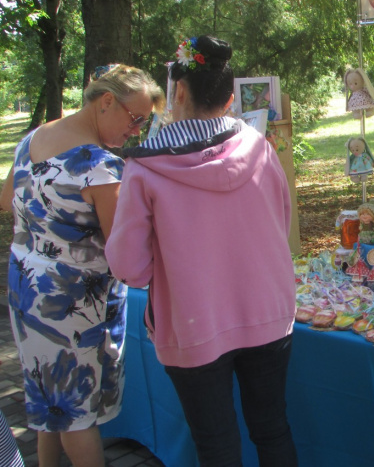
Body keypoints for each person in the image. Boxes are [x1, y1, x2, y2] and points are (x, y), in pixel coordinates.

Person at [105, 36, 298, 467]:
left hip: (194, 322)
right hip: (268, 310)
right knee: (272, 428)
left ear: (179, 92)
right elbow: (279, 224)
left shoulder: (144, 167)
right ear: (230, 99)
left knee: (215, 444)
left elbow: (129, 268)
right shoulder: (260, 148)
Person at [0, 64, 164, 467]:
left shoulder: (34, 137)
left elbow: (7, 200)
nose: (137, 130)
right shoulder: (100, 167)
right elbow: (123, 249)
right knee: (77, 415)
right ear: (106, 102)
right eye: (136, 118)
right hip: (72, 302)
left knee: (49, 400)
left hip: (26, 288)